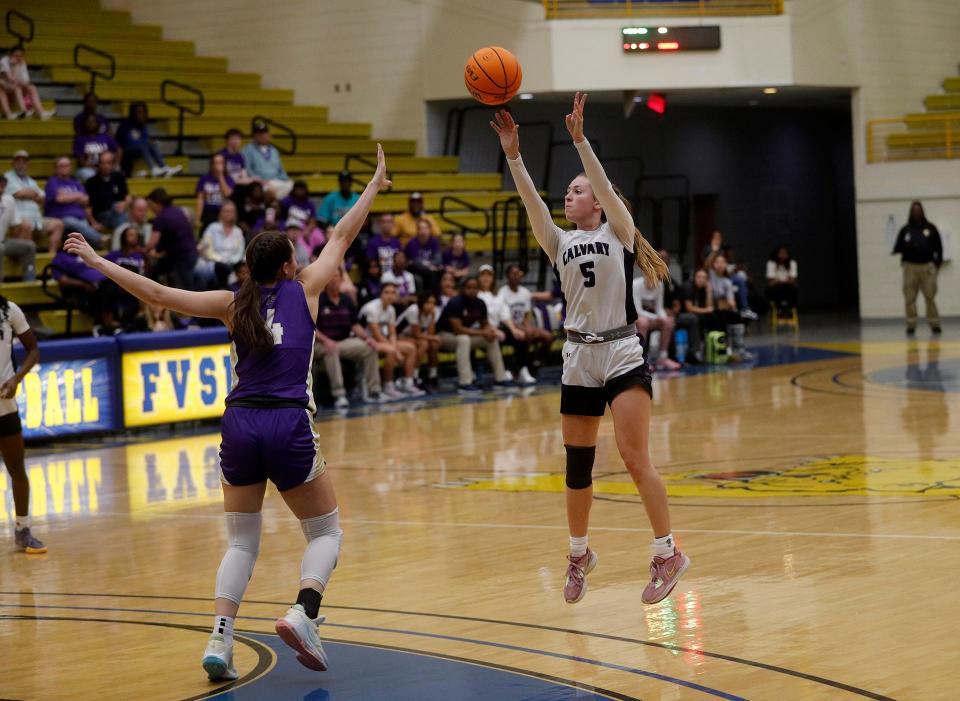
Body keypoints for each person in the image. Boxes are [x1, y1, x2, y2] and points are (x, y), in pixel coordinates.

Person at [63, 142, 392, 682]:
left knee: (242, 540)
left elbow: (156, 292)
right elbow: (341, 235)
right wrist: (375, 185)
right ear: (289, 265)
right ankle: (303, 612)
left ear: (248, 266)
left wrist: (98, 260)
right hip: (288, 423)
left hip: (238, 424)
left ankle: (220, 639)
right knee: (326, 532)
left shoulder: (229, 301)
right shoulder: (305, 287)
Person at [492, 94, 688, 605]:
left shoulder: (618, 233)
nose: (569, 195)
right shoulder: (558, 242)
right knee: (577, 467)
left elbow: (600, 184)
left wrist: (580, 142)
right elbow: (532, 203)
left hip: (622, 351)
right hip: (578, 357)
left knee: (632, 456)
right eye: (569, 190)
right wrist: (514, 154)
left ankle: (668, 552)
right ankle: (579, 554)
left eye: (578, 191)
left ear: (598, 202)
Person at [0, 294, 45, 553]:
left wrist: (16, 378)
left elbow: (33, 349)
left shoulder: (9, 311)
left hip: (4, 403)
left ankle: (23, 528)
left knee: (16, 466)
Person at [314, 267, 382, 409]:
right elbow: (311, 327)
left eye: (337, 276)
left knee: (369, 347)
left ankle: (374, 391)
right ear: (326, 280)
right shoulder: (318, 299)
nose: (334, 279)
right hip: (321, 343)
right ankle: (339, 394)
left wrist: (366, 338)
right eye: (331, 276)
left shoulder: (346, 300)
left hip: (343, 341)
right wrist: (326, 341)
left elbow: (355, 325)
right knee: (331, 350)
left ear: (341, 279)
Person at [437, 276, 509, 395]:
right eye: (469, 288)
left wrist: (491, 332)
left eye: (475, 288)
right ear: (462, 289)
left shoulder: (480, 303)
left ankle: (500, 379)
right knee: (464, 339)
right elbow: (457, 329)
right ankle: (465, 383)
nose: (472, 290)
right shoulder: (455, 302)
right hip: (445, 336)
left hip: (465, 335)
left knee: (491, 339)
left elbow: (485, 324)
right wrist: (482, 332)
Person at [358, 282, 424, 399]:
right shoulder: (371, 308)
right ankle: (388, 385)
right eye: (387, 292)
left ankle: (408, 383)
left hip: (381, 341)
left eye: (393, 293)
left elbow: (392, 333)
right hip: (365, 341)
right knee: (391, 351)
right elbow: (377, 335)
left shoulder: (391, 309)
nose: (390, 295)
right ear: (381, 294)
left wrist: (394, 346)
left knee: (411, 348)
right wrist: (394, 349)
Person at [497, 263, 553, 385]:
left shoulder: (525, 292)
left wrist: (527, 327)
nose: (516, 276)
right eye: (513, 273)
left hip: (523, 324)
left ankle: (535, 363)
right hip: (509, 326)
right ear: (507, 276)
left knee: (547, 336)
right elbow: (504, 316)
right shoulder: (502, 293)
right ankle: (521, 367)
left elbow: (526, 316)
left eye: (519, 274)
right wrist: (523, 329)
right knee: (526, 334)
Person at [893, 201, 942, 335]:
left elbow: (939, 247)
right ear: (911, 212)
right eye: (914, 210)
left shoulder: (931, 228)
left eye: (918, 210)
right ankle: (911, 324)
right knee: (909, 298)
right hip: (910, 267)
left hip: (927, 266)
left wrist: (937, 264)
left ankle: (934, 323)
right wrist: (907, 246)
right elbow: (896, 248)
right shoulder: (906, 229)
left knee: (930, 296)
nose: (916, 212)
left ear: (922, 211)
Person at [6, 151, 64, 251]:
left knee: (58, 224)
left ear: (27, 164)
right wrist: (32, 194)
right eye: (18, 161)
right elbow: (19, 193)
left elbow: (42, 197)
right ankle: (29, 262)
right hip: (18, 220)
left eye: (24, 162)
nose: (21, 165)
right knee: (26, 225)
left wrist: (30, 194)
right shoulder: (7, 177)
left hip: (37, 220)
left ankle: (51, 259)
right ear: (13, 163)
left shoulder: (31, 180)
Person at [145, 188, 197, 291]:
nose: (151, 210)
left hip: (181, 256)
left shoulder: (161, 218)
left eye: (151, 206)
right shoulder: (177, 211)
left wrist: (145, 250)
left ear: (158, 203)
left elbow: (152, 243)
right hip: (191, 252)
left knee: (185, 289)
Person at [44, 156, 103, 247]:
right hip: (61, 218)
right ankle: (100, 239)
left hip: (81, 217)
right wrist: (77, 196)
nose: (65, 168)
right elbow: (59, 198)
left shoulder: (75, 182)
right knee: (71, 221)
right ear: (56, 169)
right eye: (61, 166)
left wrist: (68, 196)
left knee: (82, 226)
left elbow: (86, 200)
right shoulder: (53, 182)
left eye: (67, 165)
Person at [116, 102, 181, 178]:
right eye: (139, 112)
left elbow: (145, 138)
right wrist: (144, 141)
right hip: (126, 150)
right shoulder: (125, 125)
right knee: (143, 143)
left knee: (151, 143)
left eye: (143, 112)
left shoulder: (142, 125)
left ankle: (164, 166)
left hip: (139, 148)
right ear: (133, 113)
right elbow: (128, 141)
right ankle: (153, 168)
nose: (141, 115)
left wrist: (149, 141)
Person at [633, 272, 682, 371]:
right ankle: (642, 360)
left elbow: (659, 308)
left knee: (668, 322)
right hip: (636, 318)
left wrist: (664, 318)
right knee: (643, 322)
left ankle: (663, 358)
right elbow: (638, 310)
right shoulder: (635, 284)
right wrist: (656, 317)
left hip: (651, 318)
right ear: (645, 275)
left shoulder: (660, 285)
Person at [397, 291, 441, 388]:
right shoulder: (414, 310)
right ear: (421, 303)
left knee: (433, 344)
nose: (431, 305)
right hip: (400, 336)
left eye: (433, 303)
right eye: (428, 302)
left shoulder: (434, 312)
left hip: (414, 336)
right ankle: (414, 375)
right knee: (423, 344)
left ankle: (432, 375)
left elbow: (430, 333)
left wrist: (432, 318)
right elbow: (416, 334)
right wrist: (433, 337)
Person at [197, 201, 246, 288]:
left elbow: (240, 251)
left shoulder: (238, 231)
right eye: (226, 211)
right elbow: (208, 251)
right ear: (221, 213)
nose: (229, 213)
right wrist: (222, 260)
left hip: (232, 265)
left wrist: (231, 262)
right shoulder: (212, 228)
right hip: (212, 263)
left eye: (232, 211)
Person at [0, 47, 55, 120]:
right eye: (15, 55)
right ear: (10, 54)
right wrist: (15, 66)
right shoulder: (4, 61)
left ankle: (41, 112)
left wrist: (23, 83)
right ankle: (11, 113)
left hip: (14, 90)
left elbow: (26, 81)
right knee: (7, 88)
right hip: (4, 90)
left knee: (32, 88)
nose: (18, 58)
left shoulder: (22, 63)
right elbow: (10, 79)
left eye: (20, 56)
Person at [242, 120, 292, 200]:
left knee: (293, 186)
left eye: (265, 133)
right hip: (260, 182)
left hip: (276, 180)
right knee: (271, 192)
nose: (262, 136)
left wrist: (285, 179)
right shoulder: (247, 150)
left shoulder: (274, 151)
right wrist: (260, 180)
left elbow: (281, 169)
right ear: (254, 136)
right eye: (259, 134)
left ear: (269, 134)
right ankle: (275, 204)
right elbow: (248, 170)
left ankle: (277, 202)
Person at [0, 173, 35, 283]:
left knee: (29, 246)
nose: (1, 188)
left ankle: (29, 281)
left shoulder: (9, 200)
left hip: (2, 241)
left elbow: (15, 224)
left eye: (2, 185)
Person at [84, 151, 129, 230]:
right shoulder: (91, 182)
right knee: (120, 214)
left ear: (113, 164)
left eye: (108, 163)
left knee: (125, 212)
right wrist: (93, 223)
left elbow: (127, 196)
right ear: (99, 164)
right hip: (102, 215)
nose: (106, 166)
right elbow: (88, 206)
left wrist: (124, 204)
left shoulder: (119, 177)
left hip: (120, 211)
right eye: (103, 163)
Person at [74, 113, 121, 181]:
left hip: (106, 166)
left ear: (97, 124)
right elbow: (81, 161)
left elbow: (119, 150)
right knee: (91, 176)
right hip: (88, 168)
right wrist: (97, 168)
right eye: (88, 122)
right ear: (85, 124)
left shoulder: (105, 137)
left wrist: (116, 164)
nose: (91, 124)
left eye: (93, 122)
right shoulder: (80, 139)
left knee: (118, 172)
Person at [195, 153, 235, 231]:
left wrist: (220, 175)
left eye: (221, 163)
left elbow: (227, 193)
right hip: (208, 212)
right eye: (216, 163)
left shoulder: (229, 179)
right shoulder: (204, 179)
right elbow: (200, 199)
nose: (218, 165)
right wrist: (197, 218)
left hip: (223, 211)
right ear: (212, 165)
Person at [405, 218, 443, 290]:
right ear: (417, 230)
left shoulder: (434, 241)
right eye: (421, 228)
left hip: (430, 269)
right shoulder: (412, 243)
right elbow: (417, 262)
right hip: (415, 270)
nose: (423, 231)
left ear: (429, 230)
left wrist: (429, 264)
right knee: (430, 274)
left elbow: (438, 260)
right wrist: (430, 266)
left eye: (425, 228)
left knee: (441, 272)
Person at [765, 245, 798, 317]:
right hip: (775, 288)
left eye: (785, 253)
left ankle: (787, 308)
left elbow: (792, 280)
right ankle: (780, 309)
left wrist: (781, 280)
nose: (783, 255)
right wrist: (777, 268)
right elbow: (771, 282)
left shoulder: (792, 263)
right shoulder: (771, 263)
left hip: (787, 287)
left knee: (792, 288)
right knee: (776, 289)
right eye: (781, 253)